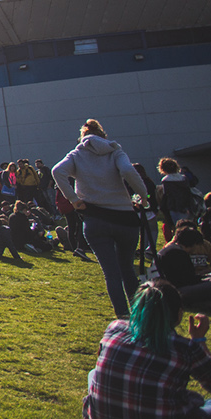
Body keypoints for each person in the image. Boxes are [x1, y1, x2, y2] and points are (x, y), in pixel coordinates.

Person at [83, 279, 211, 419]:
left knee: (93, 373)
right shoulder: (185, 348)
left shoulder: (114, 328)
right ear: (178, 314)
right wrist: (199, 341)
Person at [52, 119, 148, 318]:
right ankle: (140, 315)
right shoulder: (114, 151)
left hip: (95, 217)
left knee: (111, 274)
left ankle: (122, 317)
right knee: (128, 269)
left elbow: (57, 171)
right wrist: (144, 197)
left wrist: (74, 200)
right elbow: (129, 171)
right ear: (103, 135)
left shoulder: (77, 154)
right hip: (124, 217)